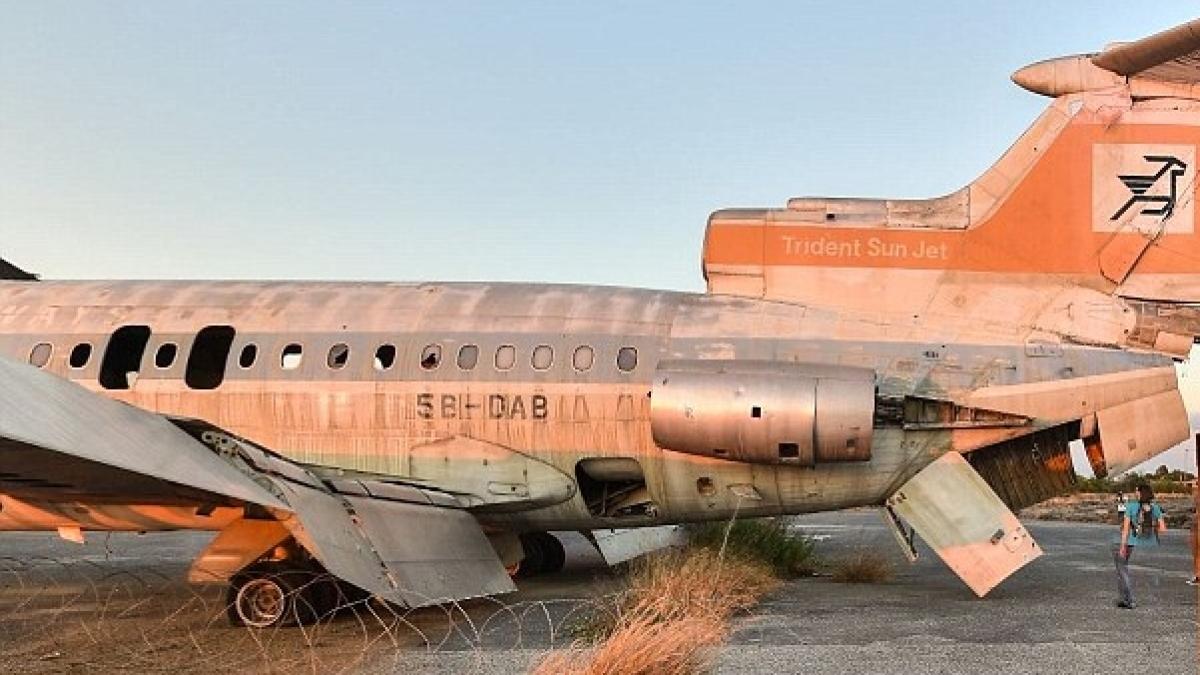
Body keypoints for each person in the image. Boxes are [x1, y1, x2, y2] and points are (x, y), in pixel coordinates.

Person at [1113, 483, 1167, 609]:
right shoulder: (1155, 508)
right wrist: (1152, 528)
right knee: (1126, 570)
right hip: (1148, 543)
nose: (1135, 493)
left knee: (1122, 568)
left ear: (1140, 493)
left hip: (1131, 543)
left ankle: (1129, 599)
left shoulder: (1131, 506)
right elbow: (1163, 529)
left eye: (1136, 491)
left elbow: (1125, 529)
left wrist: (1122, 546)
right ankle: (1125, 599)